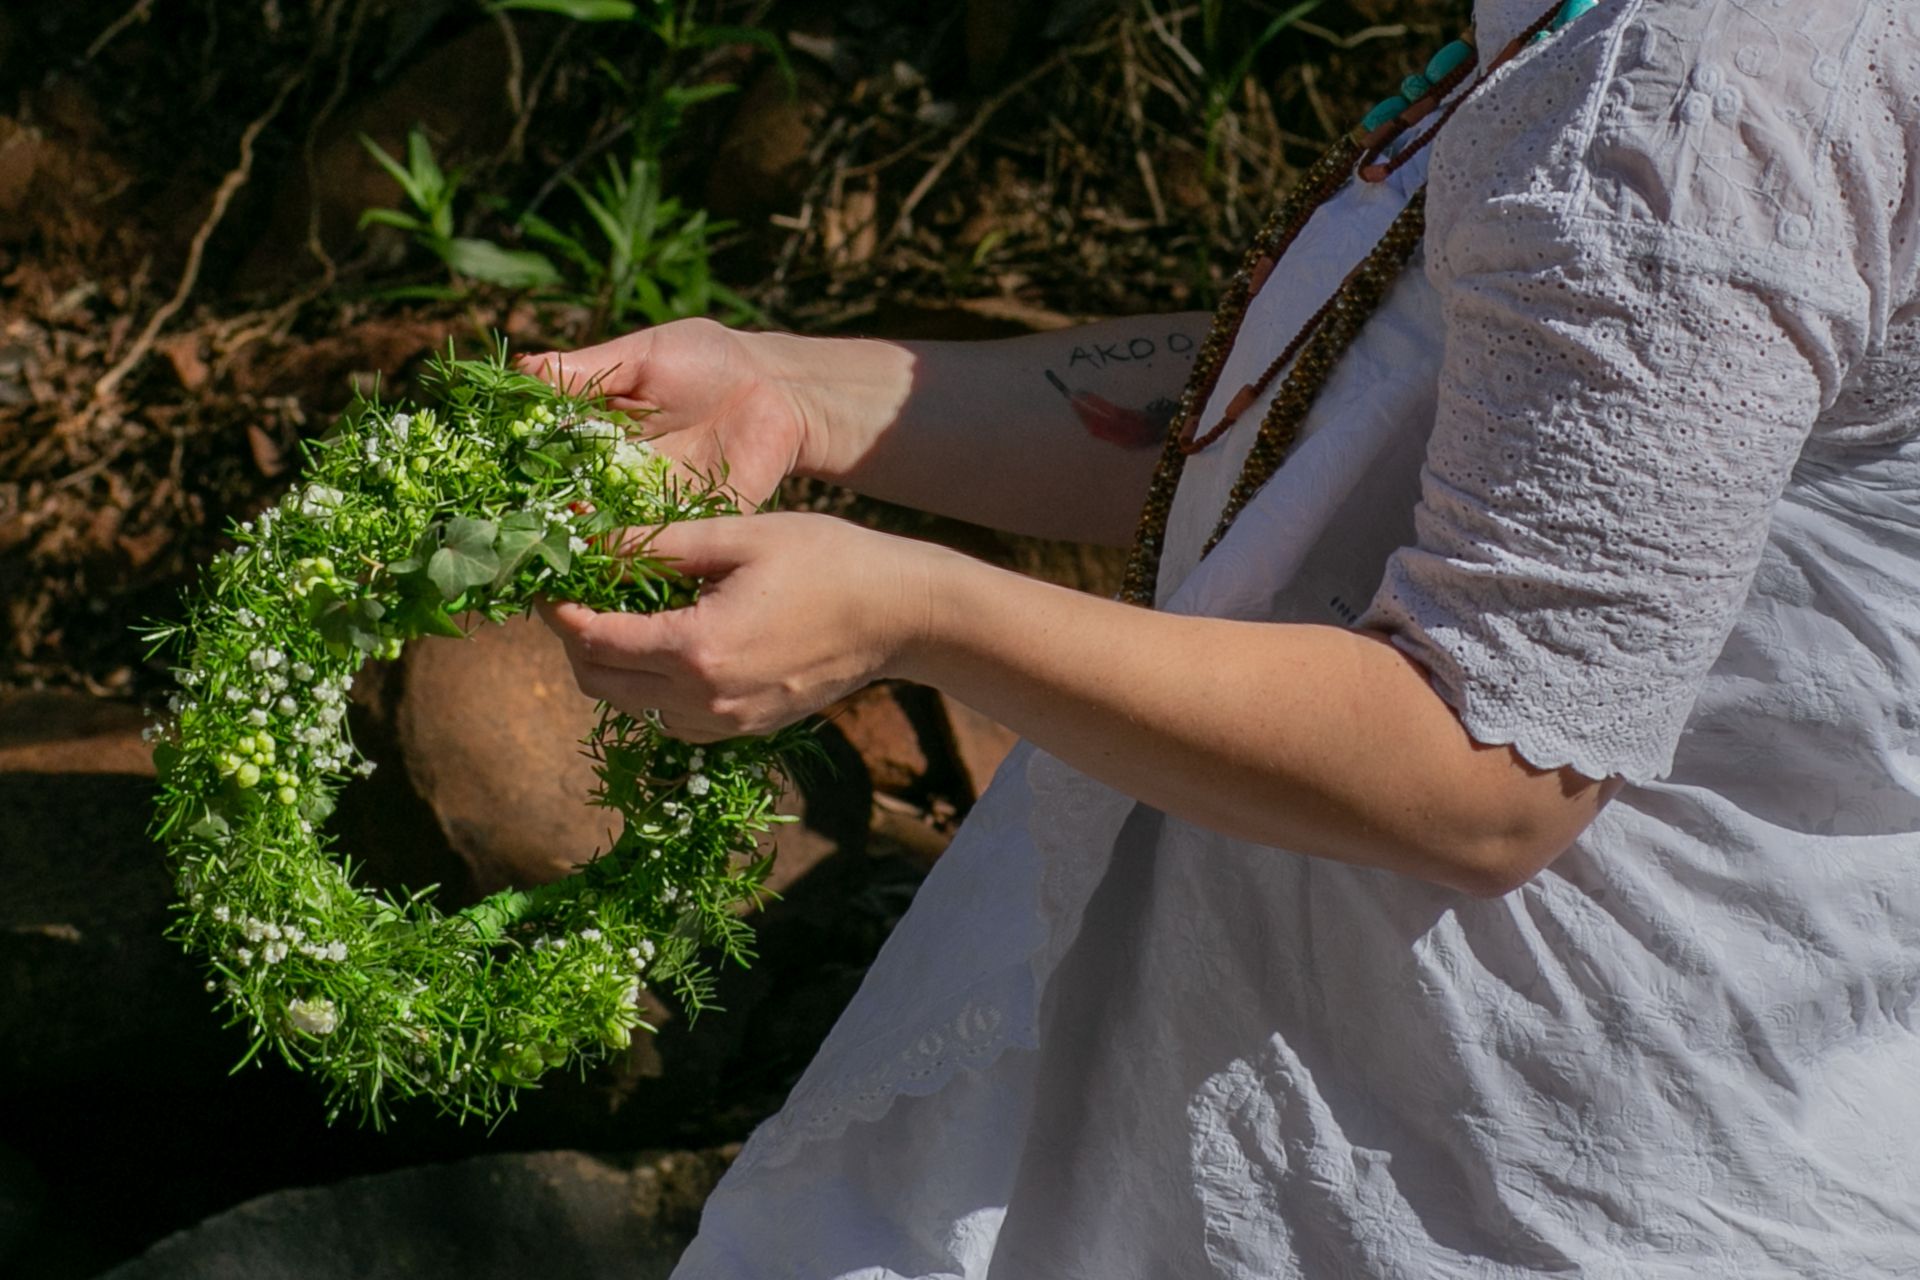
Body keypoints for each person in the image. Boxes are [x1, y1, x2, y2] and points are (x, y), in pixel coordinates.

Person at [526, 1, 1920, 1274]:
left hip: (1481, 1167)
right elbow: (1361, 420)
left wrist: (912, 612)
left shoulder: (1698, 85)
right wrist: (798, 393)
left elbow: (1484, 773)